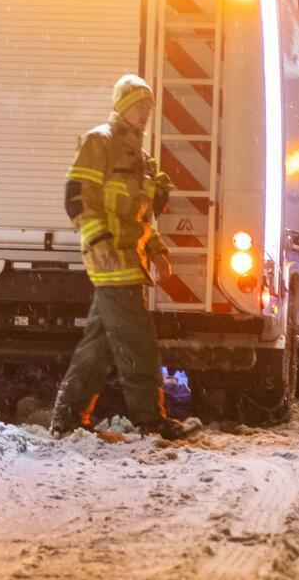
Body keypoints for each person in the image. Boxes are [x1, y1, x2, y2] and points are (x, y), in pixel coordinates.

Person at [50, 74, 201, 440]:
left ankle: (67, 420)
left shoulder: (142, 159)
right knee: (138, 341)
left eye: (148, 107)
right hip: (109, 262)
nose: (145, 113)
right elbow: (78, 197)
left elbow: (138, 216)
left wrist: (156, 248)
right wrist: (98, 241)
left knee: (99, 346)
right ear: (121, 107)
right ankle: (151, 421)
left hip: (128, 260)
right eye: (138, 106)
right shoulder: (99, 142)